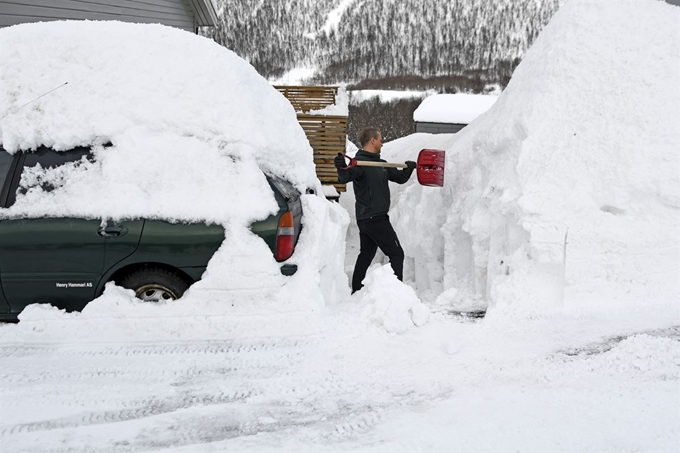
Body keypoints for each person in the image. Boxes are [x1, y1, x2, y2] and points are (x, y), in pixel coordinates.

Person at [335, 127, 416, 293]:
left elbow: (399, 178)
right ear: (372, 140)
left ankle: (356, 289)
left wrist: (408, 169)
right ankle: (396, 293)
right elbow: (345, 177)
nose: (382, 142)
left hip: (368, 219)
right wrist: (340, 167)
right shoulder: (359, 164)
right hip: (374, 218)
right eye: (380, 139)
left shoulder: (382, 164)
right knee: (396, 254)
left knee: (366, 254)